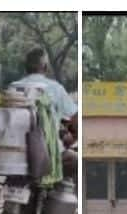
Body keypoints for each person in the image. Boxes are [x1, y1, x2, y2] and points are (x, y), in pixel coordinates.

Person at [12, 47, 78, 181]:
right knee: (75, 160)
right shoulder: (55, 88)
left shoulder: (13, 87)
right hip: (47, 153)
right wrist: (73, 138)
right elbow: (75, 116)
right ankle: (59, 191)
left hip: (14, 154)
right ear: (45, 66)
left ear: (26, 67)